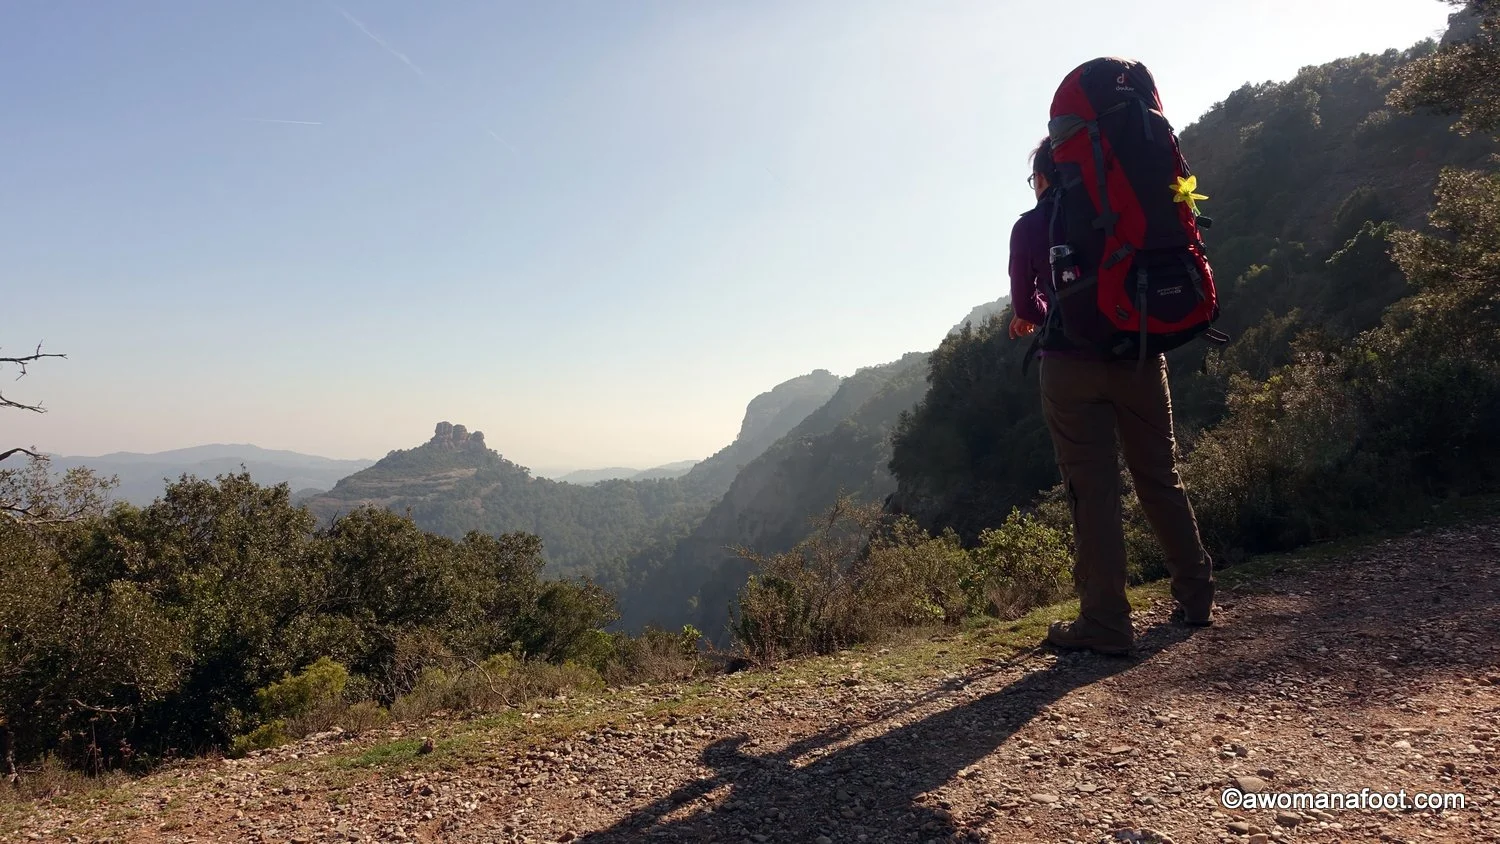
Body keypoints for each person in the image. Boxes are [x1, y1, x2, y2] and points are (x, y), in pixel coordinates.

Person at [1009, 137, 1215, 656]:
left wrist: (1045, 306)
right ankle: (1196, 596)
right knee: (1161, 476)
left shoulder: (1033, 225)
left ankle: (1105, 621)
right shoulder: (1127, 205)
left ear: (1043, 177)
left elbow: (1028, 306)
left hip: (1069, 367)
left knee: (1092, 492)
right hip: (1140, 356)